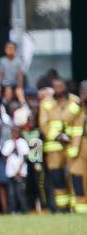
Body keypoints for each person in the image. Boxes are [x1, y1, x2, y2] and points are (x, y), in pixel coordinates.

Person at [38, 78, 81, 213]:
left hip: (72, 146)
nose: (58, 89)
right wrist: (57, 136)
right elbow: (43, 124)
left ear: (66, 86)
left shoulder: (75, 100)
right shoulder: (46, 103)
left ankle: (74, 207)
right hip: (53, 147)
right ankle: (61, 208)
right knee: (57, 178)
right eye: (55, 86)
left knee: (73, 176)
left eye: (60, 86)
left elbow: (79, 121)